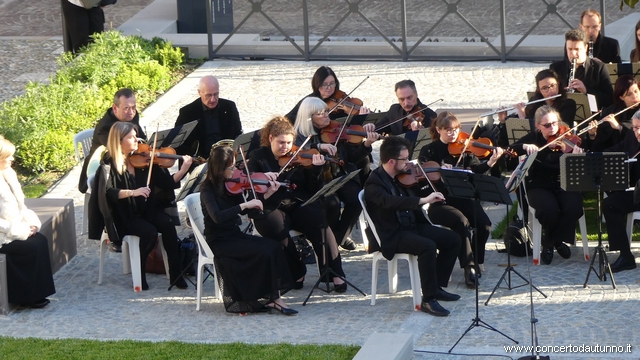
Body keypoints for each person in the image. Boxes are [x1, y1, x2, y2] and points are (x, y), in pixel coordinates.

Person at [364, 136, 461, 316]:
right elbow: (390, 202)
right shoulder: (374, 183)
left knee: (453, 239)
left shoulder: (402, 175)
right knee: (427, 246)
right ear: (392, 161)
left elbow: (417, 190)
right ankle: (428, 300)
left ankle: (436, 286)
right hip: (392, 233)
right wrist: (423, 200)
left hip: (411, 225)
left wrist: (436, 182)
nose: (409, 162)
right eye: (405, 159)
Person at [89, 122, 192, 290]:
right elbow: (108, 192)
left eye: (135, 135)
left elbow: (167, 183)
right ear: (119, 141)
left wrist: (184, 169)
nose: (137, 139)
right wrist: (132, 192)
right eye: (131, 137)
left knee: (167, 225)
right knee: (150, 233)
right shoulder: (109, 165)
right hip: (125, 216)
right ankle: (140, 271)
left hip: (146, 209)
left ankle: (176, 273)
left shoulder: (144, 159)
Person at [248, 116, 347, 292]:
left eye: (288, 143)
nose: (285, 147)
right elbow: (253, 187)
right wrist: (267, 186)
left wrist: (317, 170)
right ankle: (296, 271)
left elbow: (312, 188)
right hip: (271, 204)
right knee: (275, 227)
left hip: (297, 201)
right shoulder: (258, 157)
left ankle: (334, 272)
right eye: (281, 142)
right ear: (270, 138)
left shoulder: (299, 155)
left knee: (319, 222)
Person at [200, 145, 297, 314]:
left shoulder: (233, 184)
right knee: (262, 252)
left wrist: (265, 196)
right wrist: (244, 204)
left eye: (234, 165)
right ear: (219, 168)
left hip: (234, 234)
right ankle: (273, 299)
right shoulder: (207, 189)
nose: (234, 170)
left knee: (273, 246)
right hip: (218, 240)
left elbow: (251, 212)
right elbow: (217, 216)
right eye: (230, 167)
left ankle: (272, 297)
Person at [418, 112, 502, 275]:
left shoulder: (466, 149)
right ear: (438, 129)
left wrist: (490, 162)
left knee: (484, 224)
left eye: (455, 129)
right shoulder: (428, 150)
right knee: (461, 222)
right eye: (448, 130)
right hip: (440, 202)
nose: (453, 133)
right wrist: (441, 175)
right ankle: (468, 267)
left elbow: (477, 173)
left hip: (464, 198)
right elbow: (423, 178)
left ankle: (477, 260)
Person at [293, 97, 380, 250]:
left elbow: (351, 158)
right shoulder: (299, 135)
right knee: (331, 204)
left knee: (357, 198)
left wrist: (366, 144)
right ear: (309, 117)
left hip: (339, 174)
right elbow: (298, 152)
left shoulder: (335, 129)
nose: (327, 115)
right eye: (321, 114)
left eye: (327, 111)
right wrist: (318, 146)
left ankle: (337, 238)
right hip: (318, 180)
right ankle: (331, 238)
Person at [510, 106, 584, 265]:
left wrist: (572, 156)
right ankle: (557, 242)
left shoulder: (567, 139)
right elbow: (510, 150)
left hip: (562, 183)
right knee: (549, 209)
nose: (552, 129)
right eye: (547, 126)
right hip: (538, 185)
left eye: (554, 123)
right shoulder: (533, 138)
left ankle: (549, 242)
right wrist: (524, 147)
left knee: (574, 206)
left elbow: (579, 167)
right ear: (538, 126)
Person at [0, 137, 56, 308]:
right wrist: (19, 231)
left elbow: (19, 205)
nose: (12, 160)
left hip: (14, 228)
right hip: (4, 234)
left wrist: (30, 225)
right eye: (8, 156)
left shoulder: (7, 174)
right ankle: (23, 296)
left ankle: (34, 293)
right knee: (29, 247)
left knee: (40, 240)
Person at [79, 88, 146, 195]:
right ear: (115, 108)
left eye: (134, 107)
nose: (131, 112)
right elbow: (117, 151)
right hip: (106, 168)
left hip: (126, 162)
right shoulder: (105, 127)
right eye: (126, 108)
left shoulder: (131, 115)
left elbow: (142, 138)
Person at [601, 109, 640, 272]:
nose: (637, 132)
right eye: (635, 128)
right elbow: (619, 149)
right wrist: (594, 157)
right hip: (637, 192)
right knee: (609, 204)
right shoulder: (631, 136)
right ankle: (625, 255)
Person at [174, 75, 242, 160]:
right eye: (208, 95)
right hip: (200, 160)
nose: (213, 99)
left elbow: (238, 134)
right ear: (199, 92)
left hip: (226, 159)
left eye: (216, 94)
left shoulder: (229, 107)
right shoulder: (187, 112)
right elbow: (177, 143)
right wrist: (194, 158)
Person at [550, 29, 613, 110]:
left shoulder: (599, 67)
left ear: (586, 48)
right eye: (570, 49)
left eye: (576, 49)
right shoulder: (555, 68)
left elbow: (609, 99)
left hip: (590, 118)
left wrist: (586, 91)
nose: (573, 53)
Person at [285, 66, 371, 124]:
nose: (329, 87)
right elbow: (288, 118)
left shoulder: (341, 98)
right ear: (317, 84)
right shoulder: (310, 101)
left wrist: (361, 118)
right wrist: (312, 119)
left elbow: (350, 124)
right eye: (324, 84)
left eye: (332, 83)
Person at [582, 75, 640, 152]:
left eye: (636, 91)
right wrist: (593, 134)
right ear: (621, 97)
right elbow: (600, 144)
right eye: (629, 94)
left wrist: (619, 127)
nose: (634, 96)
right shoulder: (612, 110)